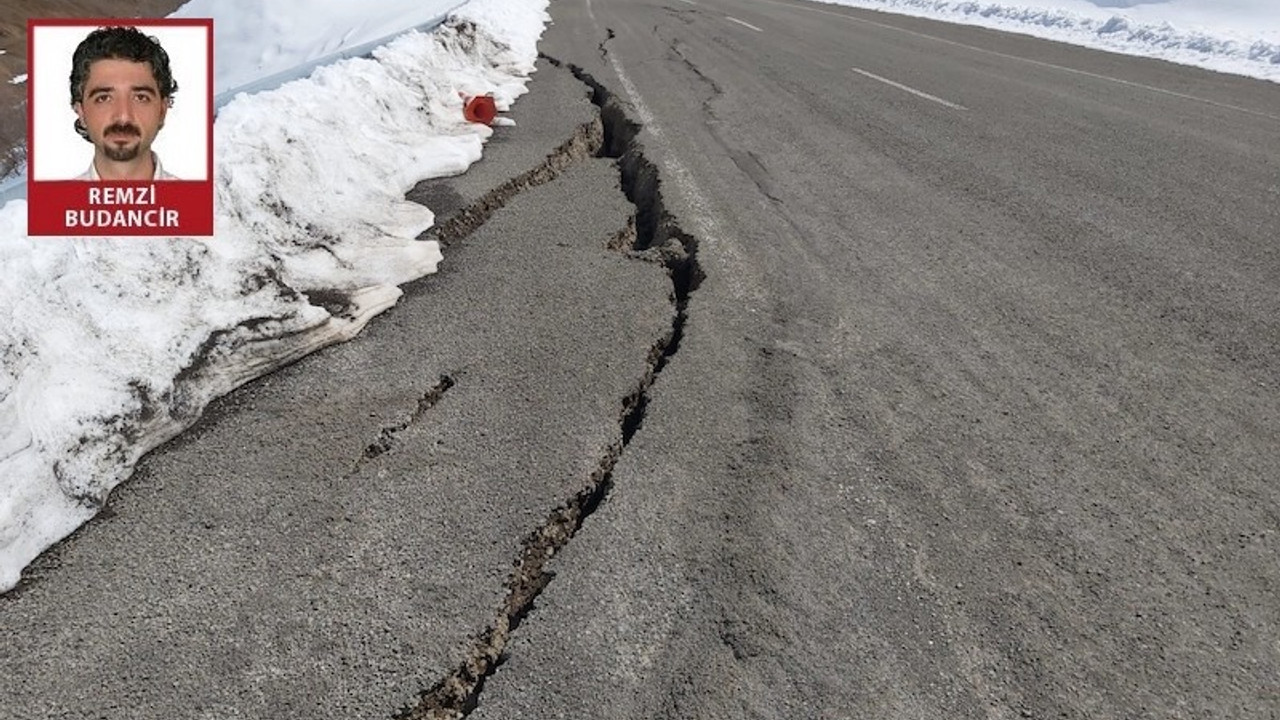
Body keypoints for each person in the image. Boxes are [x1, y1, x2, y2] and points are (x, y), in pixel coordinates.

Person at [68, 26, 179, 181]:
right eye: (104, 98)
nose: (123, 116)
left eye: (140, 97)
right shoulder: (53, 204)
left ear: (162, 110)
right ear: (81, 112)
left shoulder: (202, 202)